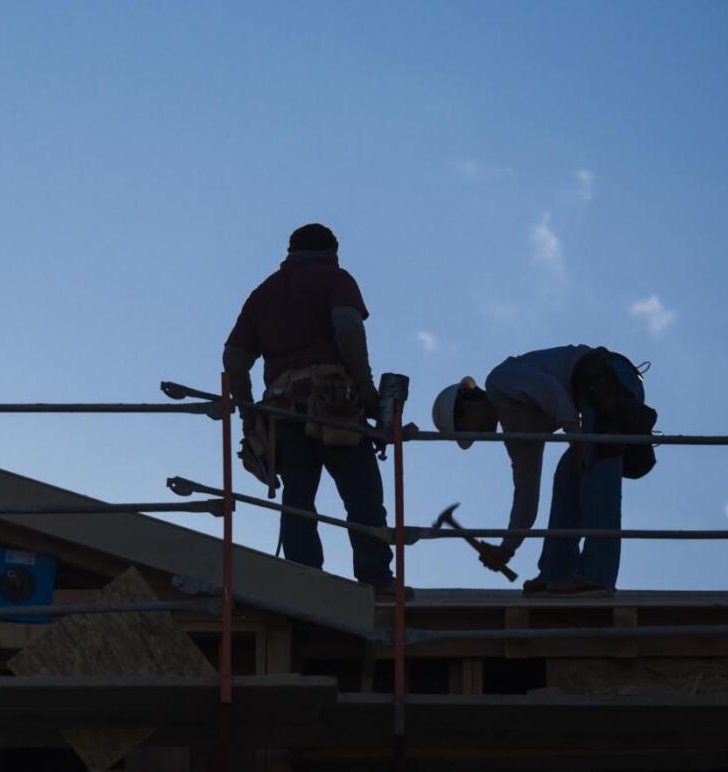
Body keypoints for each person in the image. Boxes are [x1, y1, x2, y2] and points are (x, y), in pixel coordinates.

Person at [223, 224, 395, 593]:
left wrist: (249, 415)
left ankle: (302, 581)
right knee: (362, 496)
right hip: (334, 403)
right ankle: (376, 580)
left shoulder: (264, 292)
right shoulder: (336, 278)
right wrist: (366, 392)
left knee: (298, 498)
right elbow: (348, 330)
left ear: (290, 252)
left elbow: (235, 359)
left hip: (282, 409)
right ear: (333, 250)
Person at [432, 346, 657, 596]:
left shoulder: (499, 381)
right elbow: (526, 497)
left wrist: (576, 438)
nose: (478, 436)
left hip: (606, 378)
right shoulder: (517, 435)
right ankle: (555, 574)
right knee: (567, 473)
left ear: (467, 407)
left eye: (467, 431)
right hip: (596, 390)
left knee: (595, 462)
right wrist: (507, 549)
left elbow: (551, 390)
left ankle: (597, 576)